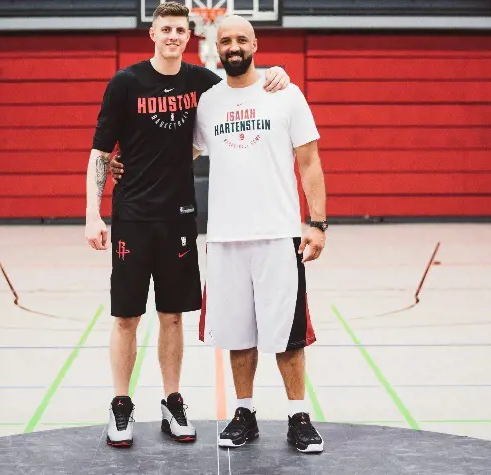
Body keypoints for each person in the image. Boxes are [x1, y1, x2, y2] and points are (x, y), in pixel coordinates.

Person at [86, 1, 290, 448]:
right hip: (132, 217)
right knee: (126, 316)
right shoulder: (125, 83)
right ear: (153, 34)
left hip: (179, 217)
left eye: (181, 29)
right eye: (167, 29)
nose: (175, 36)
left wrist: (281, 74)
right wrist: (92, 213)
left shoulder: (203, 82)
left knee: (172, 315)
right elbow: (101, 153)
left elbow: (245, 86)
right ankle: (121, 405)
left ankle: (172, 401)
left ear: (189, 34)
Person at [189, 15, 327, 453]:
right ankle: (244, 412)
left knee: (286, 334)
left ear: (255, 44)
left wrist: (318, 223)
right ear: (215, 46)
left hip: (278, 233)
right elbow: (177, 154)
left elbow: (309, 162)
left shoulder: (285, 93)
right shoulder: (207, 102)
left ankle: (297, 415)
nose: (233, 46)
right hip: (226, 237)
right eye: (225, 39)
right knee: (237, 333)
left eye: (241, 39)